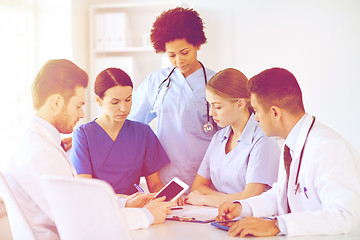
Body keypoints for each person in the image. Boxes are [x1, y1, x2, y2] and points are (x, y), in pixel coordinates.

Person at [4, 59, 174, 239]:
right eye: (78, 106)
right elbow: (79, 219)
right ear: (56, 102)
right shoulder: (41, 153)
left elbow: (79, 201)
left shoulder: (32, 141)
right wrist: (146, 216)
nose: (82, 114)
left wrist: (125, 202)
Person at [216, 67, 360, 237]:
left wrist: (278, 225)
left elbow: (346, 216)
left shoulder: (328, 148)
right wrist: (242, 207)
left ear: (275, 113)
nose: (255, 118)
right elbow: (281, 195)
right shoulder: (291, 144)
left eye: (256, 111)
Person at [128, 7, 218, 189]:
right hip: (166, 177)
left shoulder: (217, 83)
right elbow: (128, 121)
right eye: (171, 55)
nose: (179, 60)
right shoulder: (156, 82)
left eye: (184, 52)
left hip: (208, 176)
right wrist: (91, 134)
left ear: (198, 45)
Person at [184, 68, 280, 207]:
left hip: (253, 220)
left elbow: (251, 197)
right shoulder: (219, 137)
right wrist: (230, 199)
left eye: (217, 107)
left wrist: (206, 199)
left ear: (240, 104)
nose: (211, 113)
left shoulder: (263, 140)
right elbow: (198, 187)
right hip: (220, 215)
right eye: (210, 105)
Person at [70, 68, 170, 195]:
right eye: (115, 102)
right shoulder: (83, 135)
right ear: (99, 101)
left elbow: (155, 185)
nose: (124, 108)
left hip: (136, 210)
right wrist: (126, 201)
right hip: (99, 209)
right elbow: (85, 189)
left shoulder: (143, 133)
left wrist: (170, 196)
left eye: (128, 100)